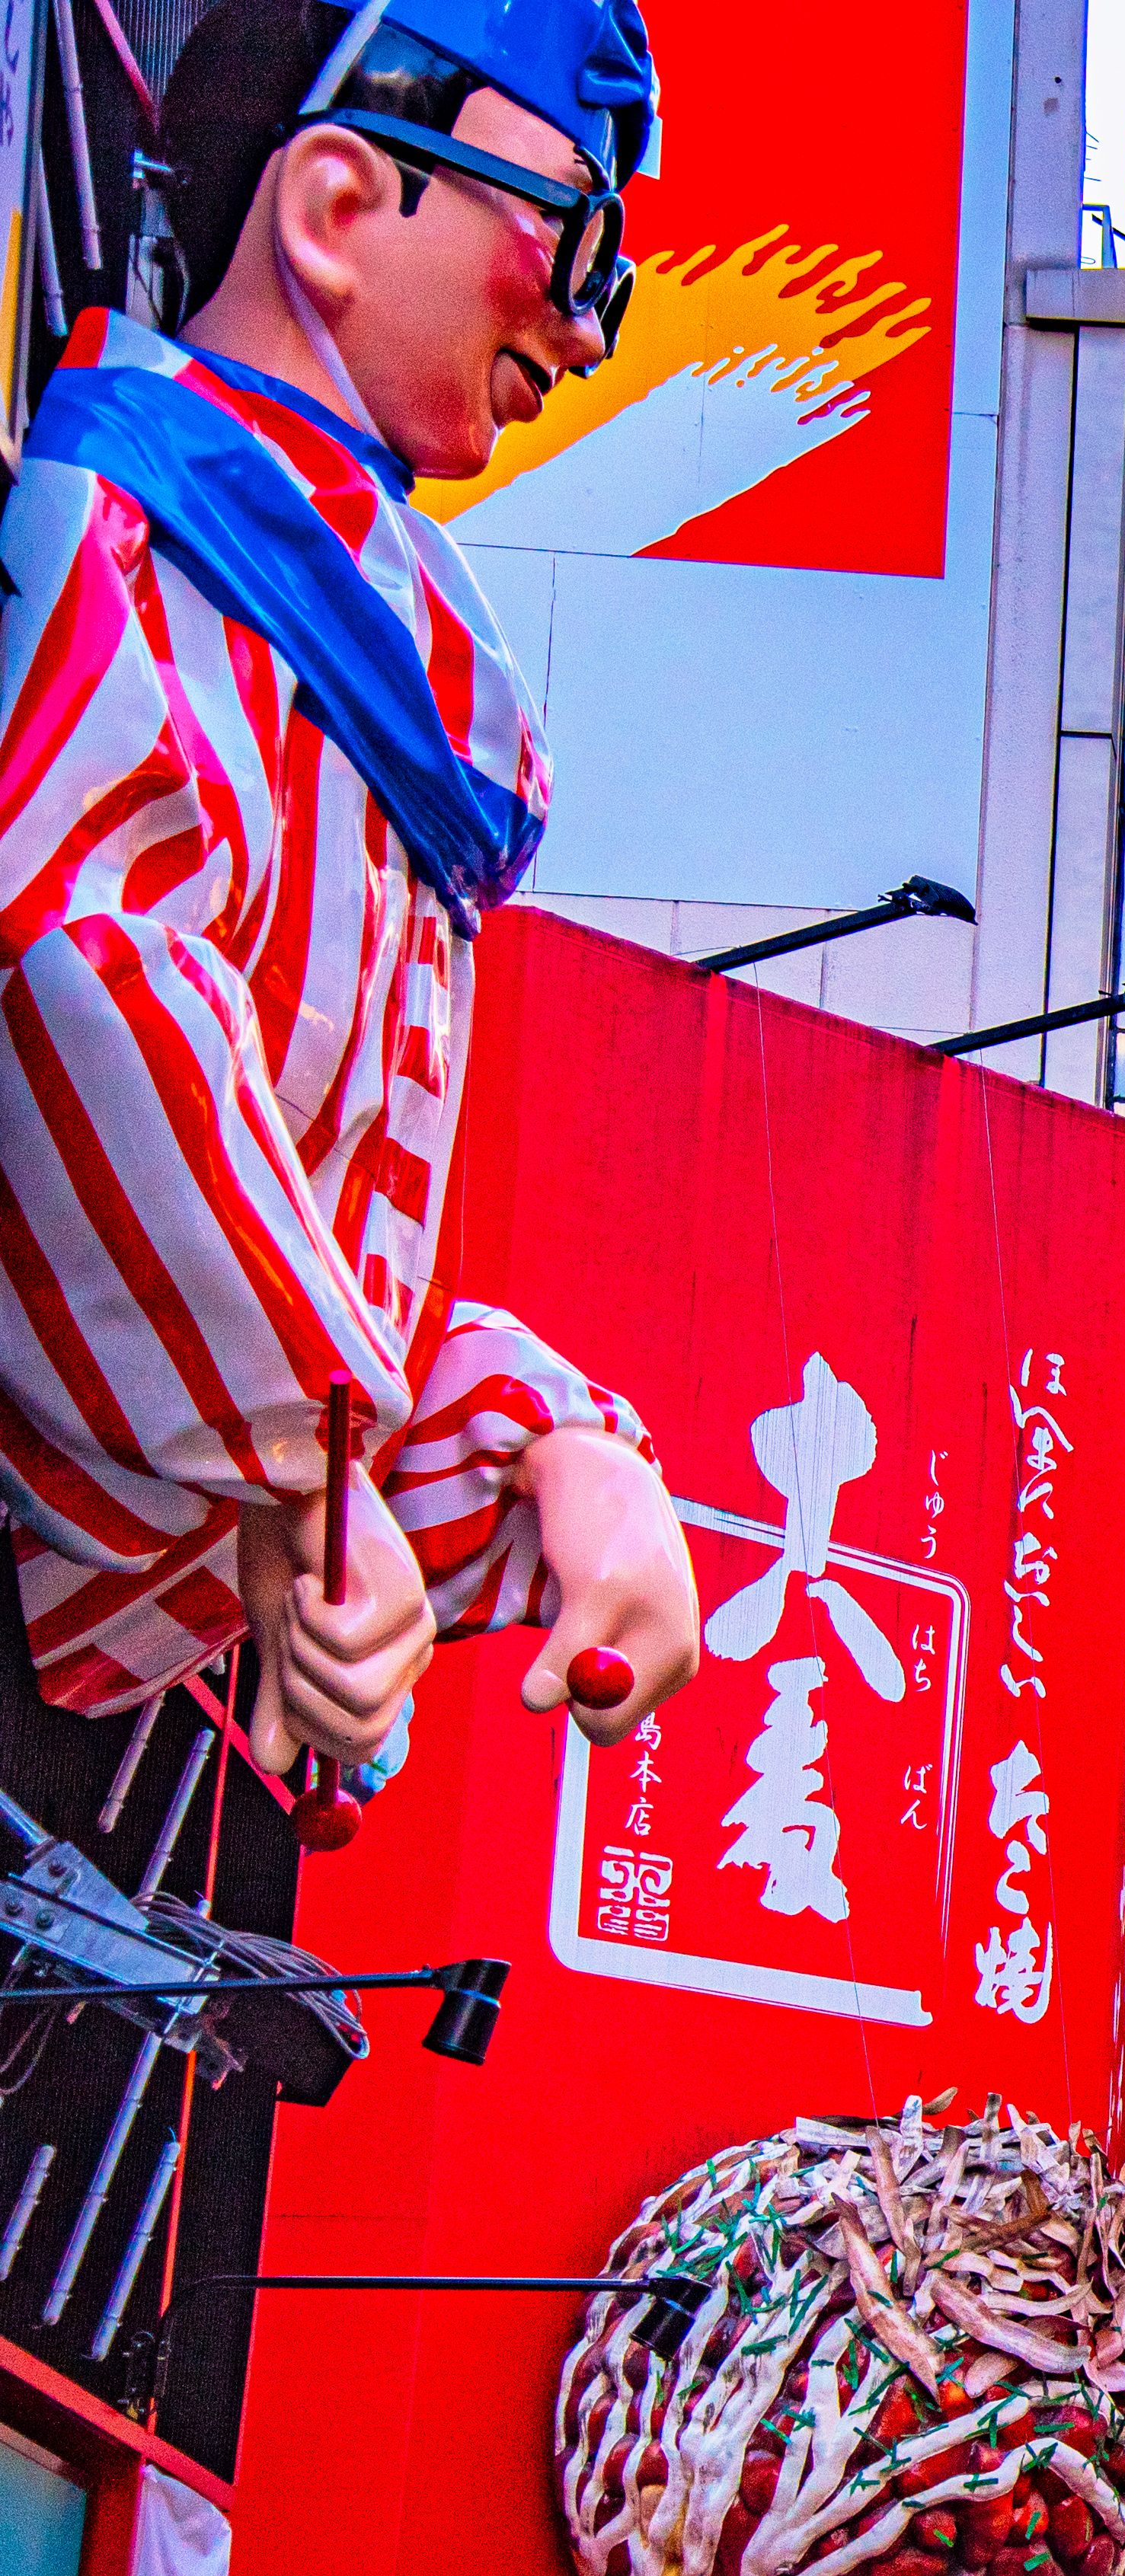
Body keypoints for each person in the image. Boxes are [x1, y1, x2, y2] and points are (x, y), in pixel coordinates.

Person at [0, 0, 695, 1802]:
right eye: (575, 240)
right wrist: (295, 1467)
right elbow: (75, 965)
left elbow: (334, 1286)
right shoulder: (125, 530)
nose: (589, 330)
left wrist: (558, 1455)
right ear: (334, 206)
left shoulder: (386, 679)